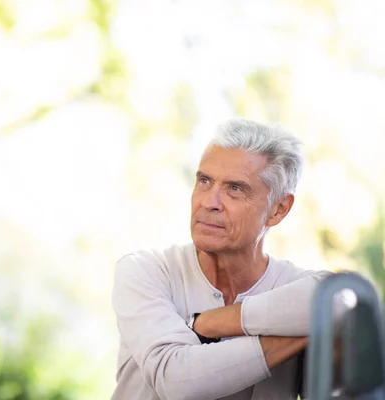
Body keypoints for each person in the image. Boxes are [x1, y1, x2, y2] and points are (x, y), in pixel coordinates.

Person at [111, 118, 332, 400]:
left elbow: (342, 299)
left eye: (235, 188)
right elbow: (177, 381)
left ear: (278, 209)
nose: (209, 202)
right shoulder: (145, 271)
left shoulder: (293, 283)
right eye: (204, 181)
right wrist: (304, 330)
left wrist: (209, 323)